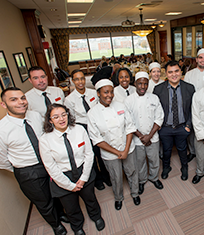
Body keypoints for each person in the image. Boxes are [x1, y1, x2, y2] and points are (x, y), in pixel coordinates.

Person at [0, 87, 67, 235]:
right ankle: (56, 224)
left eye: (22, 98)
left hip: (49, 162)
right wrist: (21, 169)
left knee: (57, 191)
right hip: (28, 171)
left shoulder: (36, 116)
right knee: (43, 201)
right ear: (3, 104)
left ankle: (62, 214)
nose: (21, 102)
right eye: (14, 99)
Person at [40, 104, 104, 235]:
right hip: (62, 176)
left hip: (83, 170)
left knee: (90, 198)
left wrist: (84, 178)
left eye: (64, 114)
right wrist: (68, 185)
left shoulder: (79, 129)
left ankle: (96, 216)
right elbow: (50, 166)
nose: (61, 119)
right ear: (50, 120)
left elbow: (89, 154)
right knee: (70, 207)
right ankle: (77, 227)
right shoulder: (45, 139)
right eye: (56, 117)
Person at [87, 79, 140, 211]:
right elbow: (97, 139)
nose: (109, 95)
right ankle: (118, 197)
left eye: (111, 92)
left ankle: (135, 193)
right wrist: (117, 153)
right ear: (98, 93)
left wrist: (126, 149)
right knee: (115, 177)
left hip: (128, 148)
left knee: (132, 172)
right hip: (109, 153)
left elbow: (129, 127)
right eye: (105, 92)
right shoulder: (92, 113)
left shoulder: (121, 106)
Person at [65, 70, 112, 191]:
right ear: (72, 81)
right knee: (90, 154)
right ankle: (97, 179)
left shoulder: (93, 93)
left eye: (82, 78)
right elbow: (71, 119)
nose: (80, 82)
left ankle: (106, 176)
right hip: (83, 128)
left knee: (100, 152)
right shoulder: (69, 99)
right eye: (76, 79)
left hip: (97, 125)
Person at [153, 61, 195, 180]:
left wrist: (188, 125)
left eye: (176, 71)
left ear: (181, 72)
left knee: (182, 149)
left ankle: (184, 167)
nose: (174, 74)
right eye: (170, 72)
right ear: (166, 74)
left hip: (182, 126)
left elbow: (194, 109)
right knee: (166, 150)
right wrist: (158, 125)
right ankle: (166, 167)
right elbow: (154, 109)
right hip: (165, 127)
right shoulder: (158, 89)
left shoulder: (189, 88)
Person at [125, 72, 164, 195]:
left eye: (145, 83)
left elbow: (159, 118)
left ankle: (154, 177)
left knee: (154, 159)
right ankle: (142, 181)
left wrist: (149, 136)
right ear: (135, 83)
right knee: (140, 162)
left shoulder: (154, 98)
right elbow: (128, 122)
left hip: (153, 137)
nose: (143, 86)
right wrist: (142, 136)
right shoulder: (128, 100)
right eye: (140, 83)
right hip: (137, 139)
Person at [184, 48, 204, 161]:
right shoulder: (189, 74)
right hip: (193, 107)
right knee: (192, 131)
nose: (203, 60)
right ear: (196, 59)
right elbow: (185, 91)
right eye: (200, 58)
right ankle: (193, 151)